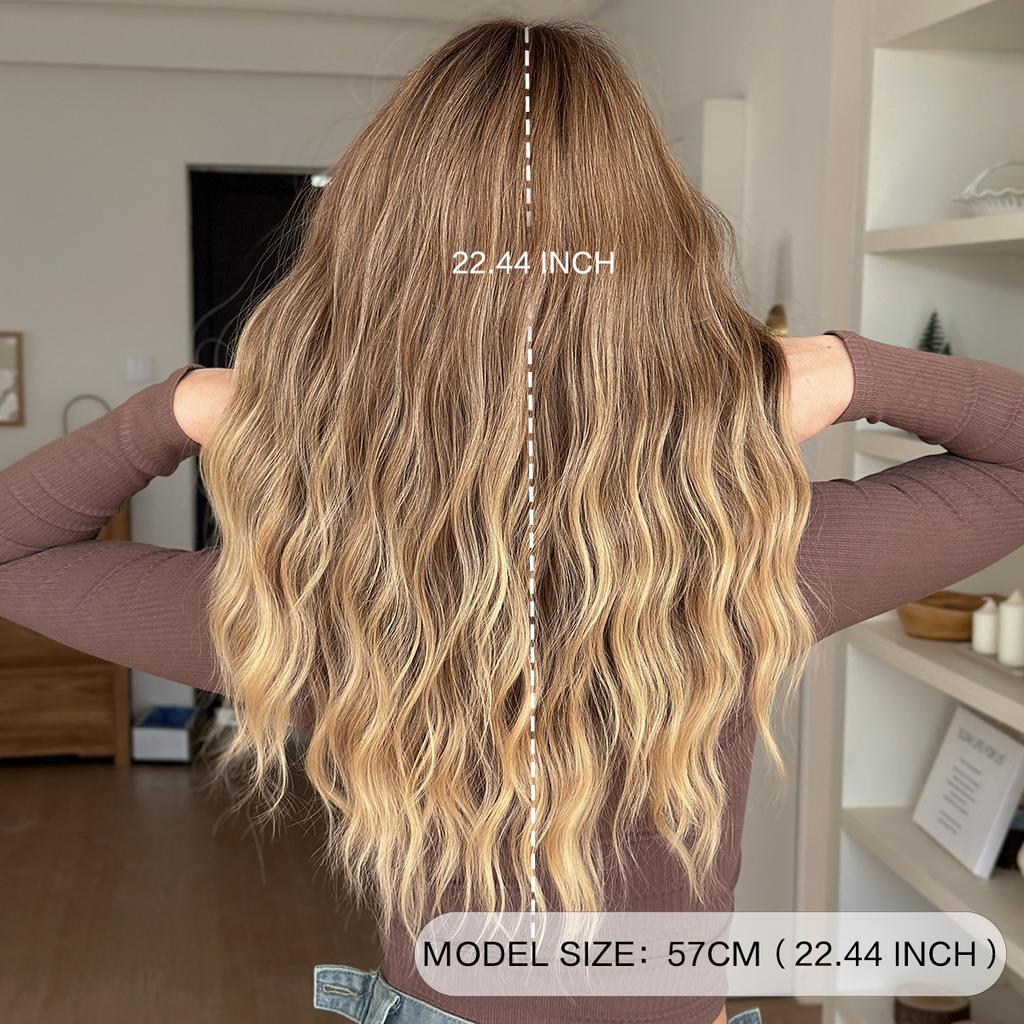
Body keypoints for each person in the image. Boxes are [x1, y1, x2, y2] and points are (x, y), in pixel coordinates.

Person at [3, 19, 1024, 1024]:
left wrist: (185, 406)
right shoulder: (740, 562)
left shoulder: (318, 594)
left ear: (366, 287)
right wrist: (846, 368)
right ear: (660, 280)